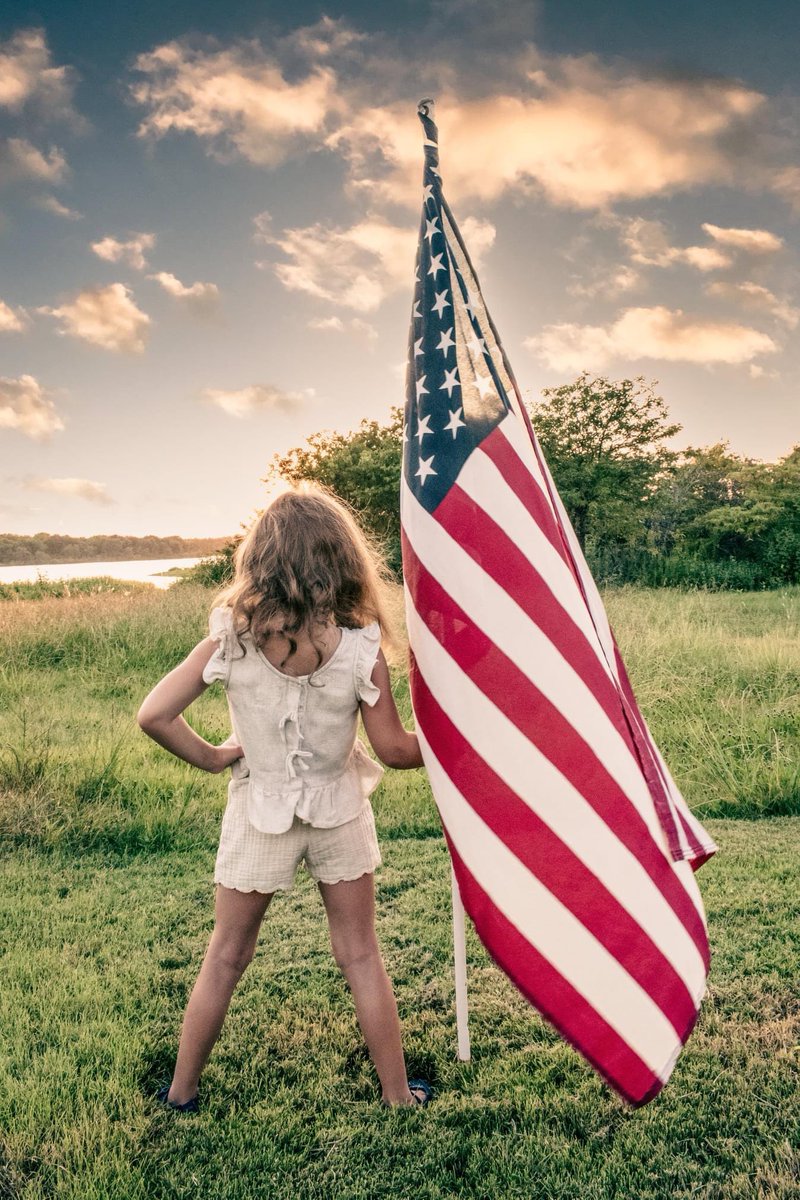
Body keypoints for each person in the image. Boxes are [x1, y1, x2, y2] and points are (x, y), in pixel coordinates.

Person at [137, 482, 432, 1112]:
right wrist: (454, 736)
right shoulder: (360, 647)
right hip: (340, 813)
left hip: (257, 813)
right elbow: (397, 753)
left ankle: (181, 1093)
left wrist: (216, 757)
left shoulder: (233, 640)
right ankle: (398, 1096)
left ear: (259, 560)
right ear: (342, 560)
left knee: (224, 957)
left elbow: (154, 715)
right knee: (360, 954)